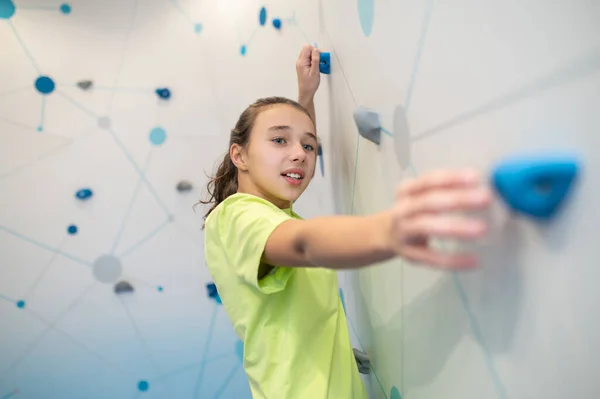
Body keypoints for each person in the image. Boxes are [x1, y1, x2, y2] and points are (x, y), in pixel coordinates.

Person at [199, 45, 493, 399]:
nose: (299, 154)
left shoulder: (268, 212)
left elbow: (292, 171)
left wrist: (305, 98)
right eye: (279, 140)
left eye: (308, 147)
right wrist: (388, 230)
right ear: (239, 155)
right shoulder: (238, 216)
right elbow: (303, 243)